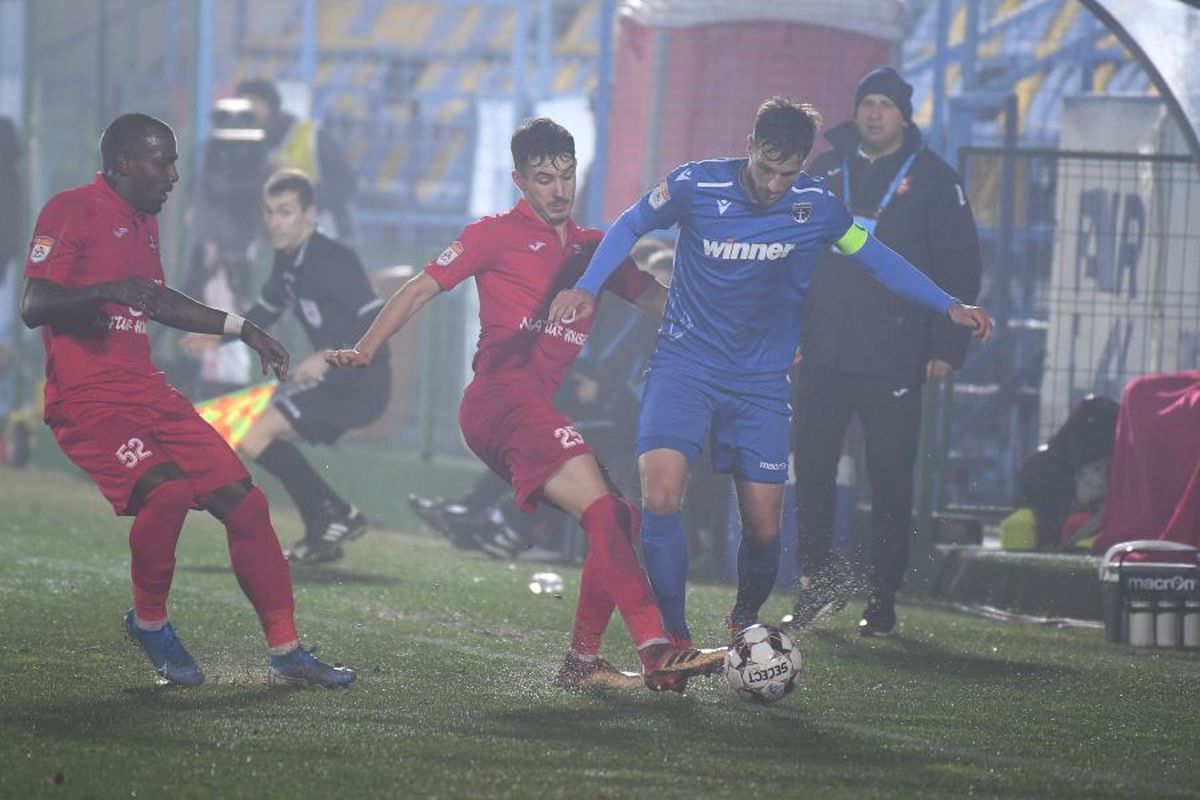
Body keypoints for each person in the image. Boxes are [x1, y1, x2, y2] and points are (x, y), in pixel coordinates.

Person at [549, 96, 992, 647]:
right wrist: (586, 287)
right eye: (767, 167)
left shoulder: (818, 206)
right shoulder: (695, 185)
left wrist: (945, 303)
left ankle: (744, 616)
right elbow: (627, 226)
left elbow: (874, 255)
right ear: (751, 146)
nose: (775, 183)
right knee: (660, 497)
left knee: (764, 528)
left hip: (760, 382)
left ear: (803, 163)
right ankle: (676, 639)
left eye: (788, 172)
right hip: (684, 365)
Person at [326, 117, 727, 691]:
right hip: (497, 401)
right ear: (519, 180)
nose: (558, 190)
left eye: (566, 175)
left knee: (617, 516)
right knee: (607, 511)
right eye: (544, 178)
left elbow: (655, 303)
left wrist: (735, 334)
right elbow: (419, 287)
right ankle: (656, 646)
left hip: (531, 408)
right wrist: (366, 348)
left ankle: (583, 662)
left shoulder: (595, 249)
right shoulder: (493, 234)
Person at [19, 112, 354, 688]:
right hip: (88, 399)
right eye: (163, 161)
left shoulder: (144, 222)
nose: (174, 174)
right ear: (124, 163)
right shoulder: (70, 209)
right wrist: (107, 290)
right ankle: (149, 622)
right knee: (168, 493)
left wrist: (243, 327)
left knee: (247, 507)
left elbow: (156, 301)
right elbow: (34, 303)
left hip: (148, 392)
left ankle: (287, 650)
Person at [787, 68, 985, 636]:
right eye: (866, 102)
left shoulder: (935, 180)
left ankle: (883, 595)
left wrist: (948, 346)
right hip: (822, 352)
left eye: (885, 105)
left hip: (896, 354)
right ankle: (816, 586)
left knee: (890, 478)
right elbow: (792, 253)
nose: (874, 113)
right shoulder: (824, 169)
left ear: (905, 115)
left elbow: (961, 265)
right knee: (815, 471)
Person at [181, 168, 389, 564]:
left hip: (364, 381)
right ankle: (323, 528)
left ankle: (334, 514)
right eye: (270, 212)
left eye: (286, 212)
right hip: (342, 381)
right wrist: (216, 335)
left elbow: (373, 316)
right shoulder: (289, 258)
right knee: (255, 436)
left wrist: (328, 355)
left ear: (310, 214)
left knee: (256, 431)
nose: (275, 222)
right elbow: (265, 311)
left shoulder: (330, 259)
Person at [235, 78, 357, 241]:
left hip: (323, 234)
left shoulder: (312, 135)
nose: (250, 111)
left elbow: (344, 183)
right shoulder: (241, 144)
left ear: (271, 105)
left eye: (254, 103)